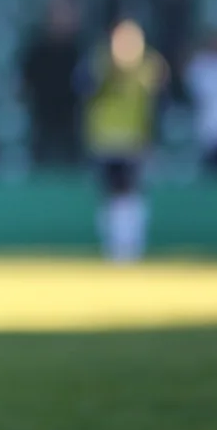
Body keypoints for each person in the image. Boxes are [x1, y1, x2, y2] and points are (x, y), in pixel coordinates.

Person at [75, 19, 167, 262]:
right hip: (104, 140)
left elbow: (156, 103)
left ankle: (131, 247)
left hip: (134, 140)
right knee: (110, 195)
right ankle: (113, 247)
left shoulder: (148, 66)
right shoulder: (99, 62)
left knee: (131, 194)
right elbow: (83, 88)